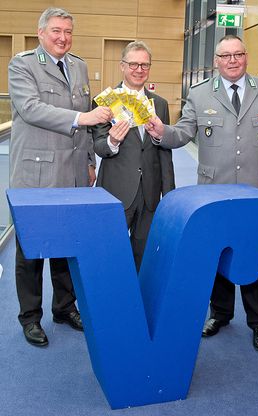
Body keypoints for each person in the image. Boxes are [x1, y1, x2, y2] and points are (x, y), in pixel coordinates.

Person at [145, 35, 258, 351]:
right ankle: (221, 314)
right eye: (225, 55)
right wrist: (162, 132)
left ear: (246, 57)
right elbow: (183, 132)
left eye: (238, 54)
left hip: (255, 193)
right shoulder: (199, 95)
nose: (232, 60)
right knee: (218, 253)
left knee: (254, 256)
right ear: (216, 60)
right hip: (214, 192)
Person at [8, 7, 113, 347]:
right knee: (31, 249)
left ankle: (64, 307)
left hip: (73, 174)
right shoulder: (21, 65)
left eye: (68, 31)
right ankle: (30, 317)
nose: (63, 37)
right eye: (56, 31)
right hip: (35, 175)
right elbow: (31, 109)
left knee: (68, 245)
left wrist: (89, 160)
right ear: (41, 33)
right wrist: (83, 117)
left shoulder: (79, 66)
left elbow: (82, 126)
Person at [92, 41, 175, 272]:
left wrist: (168, 194)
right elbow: (99, 146)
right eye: (134, 64)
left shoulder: (160, 104)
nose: (139, 70)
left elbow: (164, 152)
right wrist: (113, 141)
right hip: (115, 190)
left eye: (145, 65)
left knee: (144, 253)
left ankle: (139, 303)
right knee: (111, 252)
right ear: (122, 66)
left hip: (149, 191)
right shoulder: (106, 102)